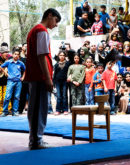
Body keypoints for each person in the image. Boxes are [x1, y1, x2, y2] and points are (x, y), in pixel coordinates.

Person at [24, 8, 61, 150]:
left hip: (37, 76)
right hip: (39, 76)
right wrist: (47, 78)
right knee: (38, 108)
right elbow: (41, 56)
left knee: (37, 107)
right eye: (56, 21)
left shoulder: (35, 30)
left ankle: (36, 139)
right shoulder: (41, 31)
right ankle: (36, 140)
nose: (56, 24)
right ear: (49, 15)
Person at [0, 49, 25, 117]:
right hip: (10, 81)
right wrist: (6, 73)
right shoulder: (8, 62)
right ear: (13, 54)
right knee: (7, 96)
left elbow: (25, 70)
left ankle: (15, 111)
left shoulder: (21, 63)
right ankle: (5, 111)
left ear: (19, 56)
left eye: (18, 54)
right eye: (15, 54)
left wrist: (22, 77)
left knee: (17, 97)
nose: (16, 55)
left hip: (18, 82)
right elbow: (1, 67)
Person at [53, 51, 70, 115]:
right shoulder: (56, 64)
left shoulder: (68, 63)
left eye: (63, 55)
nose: (62, 56)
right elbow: (54, 74)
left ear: (65, 56)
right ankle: (58, 110)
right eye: (60, 55)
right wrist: (53, 83)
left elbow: (70, 72)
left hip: (65, 81)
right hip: (57, 82)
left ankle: (65, 109)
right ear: (58, 56)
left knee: (64, 95)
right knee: (59, 96)